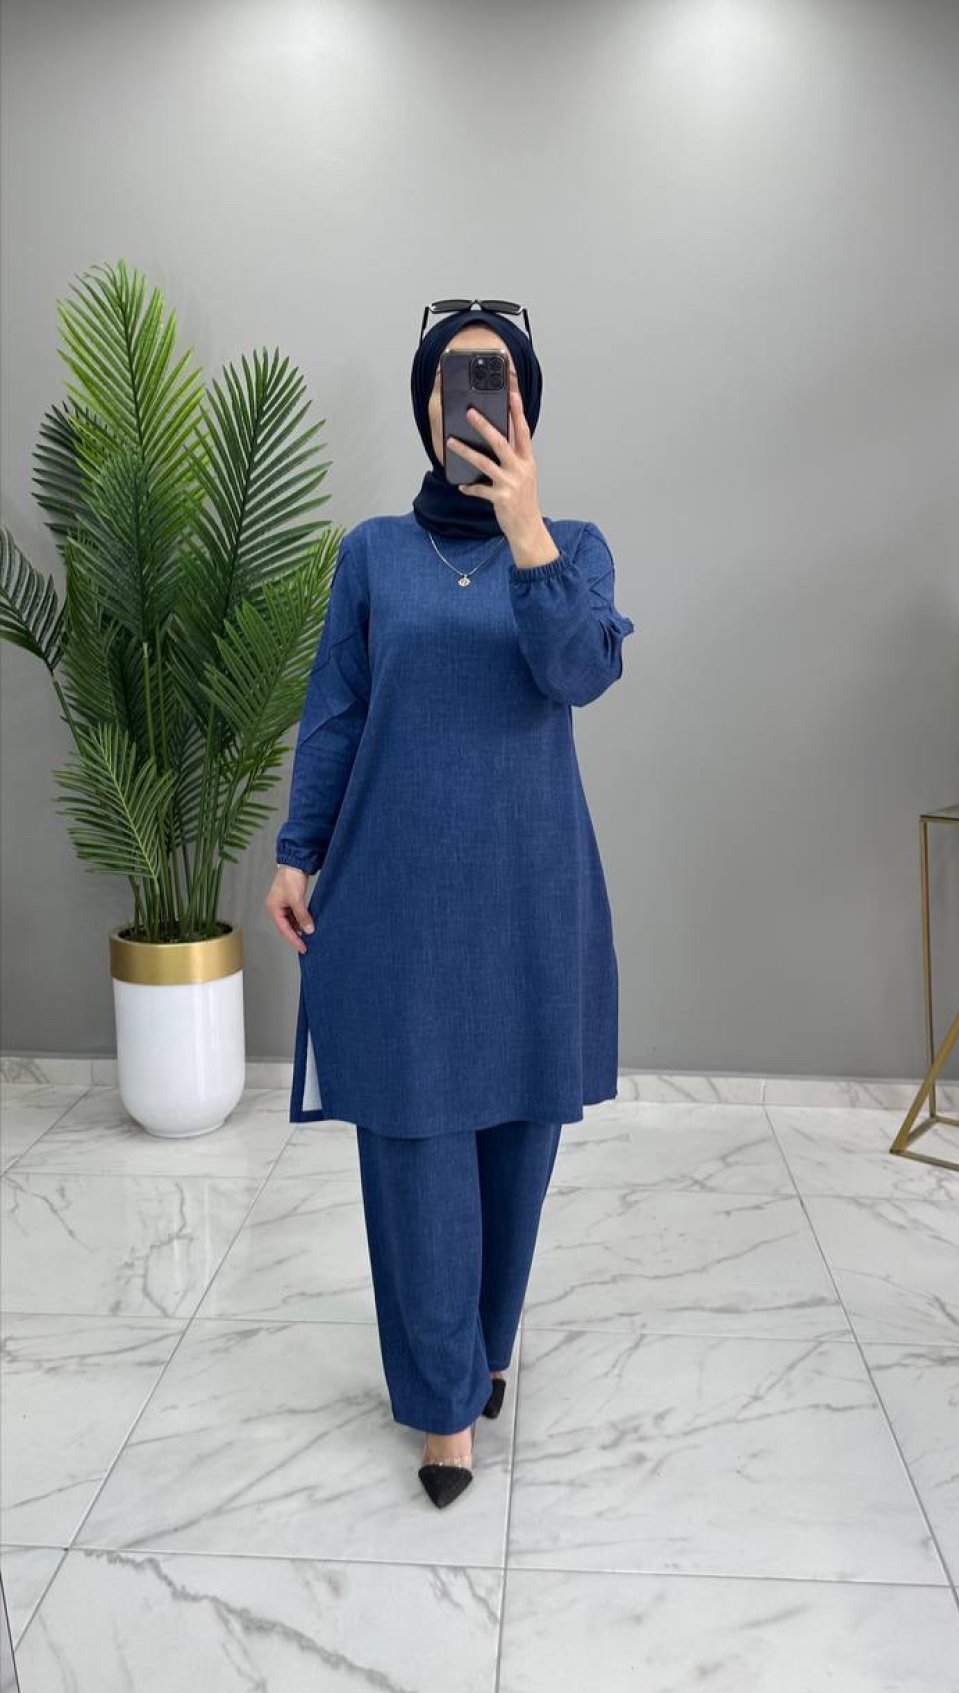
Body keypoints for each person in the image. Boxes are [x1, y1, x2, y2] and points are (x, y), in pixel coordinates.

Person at [266, 301, 635, 1507]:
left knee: (519, 1139)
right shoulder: (372, 551)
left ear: (524, 408)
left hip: (531, 895)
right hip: (397, 894)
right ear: (427, 407)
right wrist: (298, 848)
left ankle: (484, 1348)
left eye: (496, 382)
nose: (471, 403)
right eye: (451, 383)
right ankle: (442, 1408)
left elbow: (578, 670)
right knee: (415, 1146)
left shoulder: (574, 547)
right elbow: (335, 706)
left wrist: (525, 528)